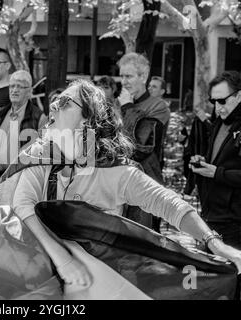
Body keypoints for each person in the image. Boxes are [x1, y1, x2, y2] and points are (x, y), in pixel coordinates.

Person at [12, 79, 241, 288]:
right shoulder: (40, 156)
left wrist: (214, 243)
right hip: (40, 280)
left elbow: (169, 204)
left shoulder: (118, 172)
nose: (53, 106)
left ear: (87, 119)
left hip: (99, 284)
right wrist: (63, 261)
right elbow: (22, 204)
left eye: (64, 102)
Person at [117, 53, 171, 231]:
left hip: (147, 184)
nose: (124, 82)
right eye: (122, 76)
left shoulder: (158, 106)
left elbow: (141, 146)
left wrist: (127, 108)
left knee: (144, 243)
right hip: (118, 185)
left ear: (143, 77)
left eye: (129, 76)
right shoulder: (117, 104)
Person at [190, 71, 241, 249]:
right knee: (206, 274)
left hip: (234, 222)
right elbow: (219, 158)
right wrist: (202, 161)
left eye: (222, 100)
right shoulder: (219, 121)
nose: (218, 107)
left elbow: (221, 170)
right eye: (213, 101)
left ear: (239, 95)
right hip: (210, 215)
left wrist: (217, 173)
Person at [0, 70, 48, 182]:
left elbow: (40, 153)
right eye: (11, 86)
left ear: (29, 91)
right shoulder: (2, 112)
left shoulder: (39, 117)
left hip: (18, 179)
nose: (14, 90)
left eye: (20, 87)